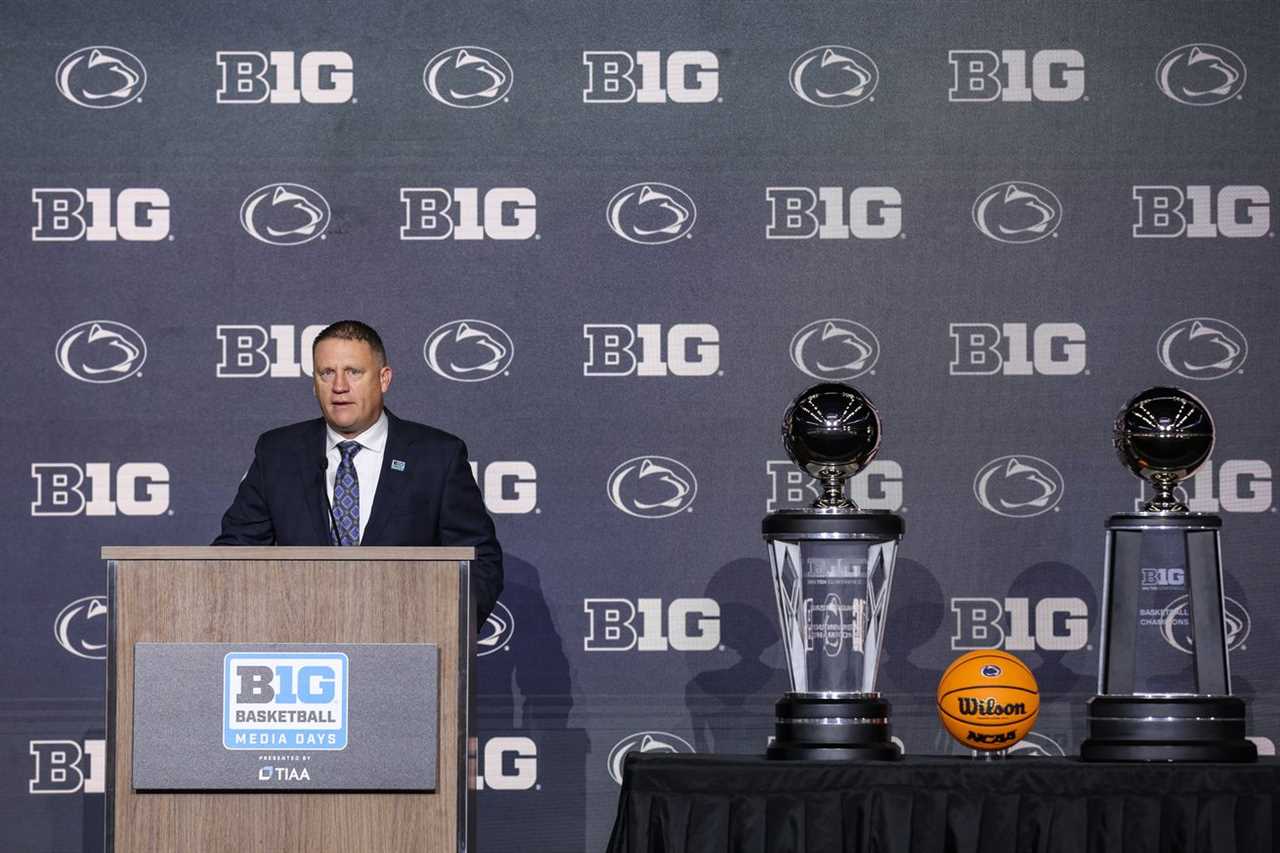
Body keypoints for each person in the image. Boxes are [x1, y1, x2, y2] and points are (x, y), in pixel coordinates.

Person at [213, 320, 503, 623]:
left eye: (353, 372)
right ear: (314, 383)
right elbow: (232, 555)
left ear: (384, 379)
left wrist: (441, 626)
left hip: (406, 647)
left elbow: (480, 561)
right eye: (327, 373)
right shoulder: (279, 453)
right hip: (300, 646)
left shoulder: (436, 456)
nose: (339, 386)